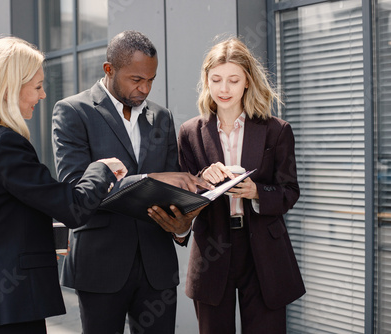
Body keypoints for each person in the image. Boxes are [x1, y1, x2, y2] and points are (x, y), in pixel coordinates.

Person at [0, 36, 127, 334]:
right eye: (38, 86)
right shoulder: (6, 144)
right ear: (9, 89)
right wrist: (101, 169)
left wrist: (32, 241)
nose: (42, 95)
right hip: (11, 304)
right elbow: (74, 208)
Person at [52, 30, 210, 333]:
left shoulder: (162, 117)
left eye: (151, 80)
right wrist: (149, 178)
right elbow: (75, 188)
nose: (145, 88)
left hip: (157, 266)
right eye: (136, 79)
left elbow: (169, 189)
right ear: (109, 70)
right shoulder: (73, 111)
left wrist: (182, 225)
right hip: (101, 265)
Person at [175, 37, 305, 333]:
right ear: (206, 81)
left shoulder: (277, 130)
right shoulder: (189, 133)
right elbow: (181, 197)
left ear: (247, 81)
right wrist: (200, 181)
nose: (224, 89)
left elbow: (290, 191)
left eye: (233, 80)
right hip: (212, 248)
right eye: (216, 79)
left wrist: (256, 191)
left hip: (263, 250)